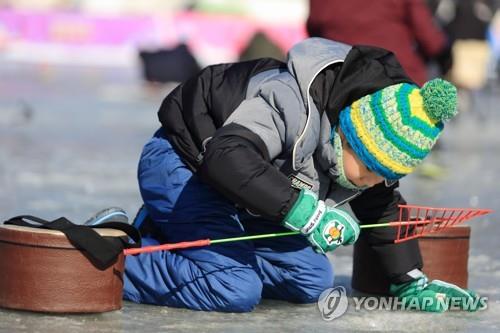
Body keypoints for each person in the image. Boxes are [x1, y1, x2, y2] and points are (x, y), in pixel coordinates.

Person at [123, 37, 482, 313]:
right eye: (373, 170)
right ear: (350, 136)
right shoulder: (289, 102)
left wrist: (410, 281)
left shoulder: (365, 162)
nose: (375, 182)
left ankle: (201, 247)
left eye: (386, 175)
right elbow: (227, 155)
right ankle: (124, 260)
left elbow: (384, 209)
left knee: (312, 279)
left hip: (247, 195)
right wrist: (303, 212)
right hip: (185, 165)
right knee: (234, 288)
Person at [307, 0, 451, 86]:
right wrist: (444, 55)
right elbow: (426, 32)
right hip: (398, 78)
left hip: (346, 80)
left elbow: (314, 28)